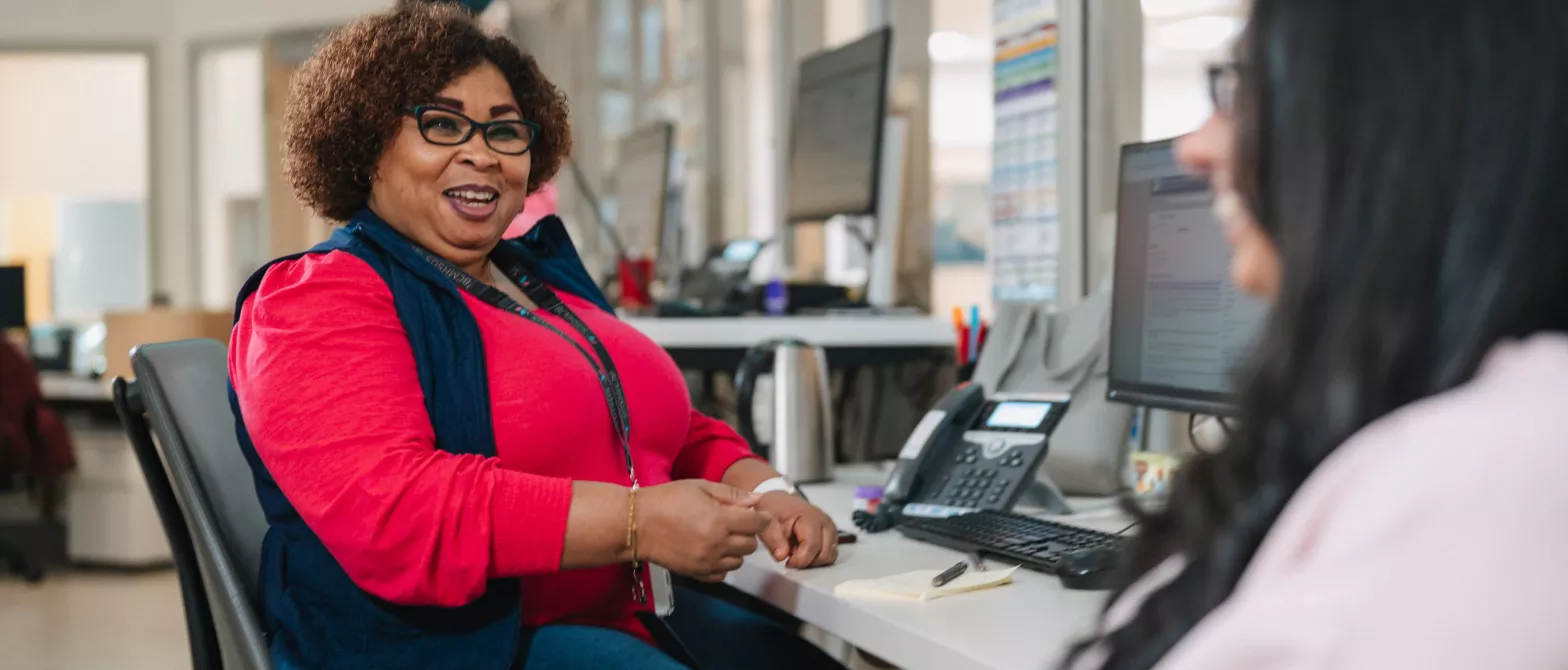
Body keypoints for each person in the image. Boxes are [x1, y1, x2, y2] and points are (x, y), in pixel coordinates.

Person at [227, 4, 843, 669]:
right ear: (367, 145)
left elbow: (664, 429)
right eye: (441, 123)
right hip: (460, 648)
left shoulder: (537, 278)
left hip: (618, 617)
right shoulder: (319, 297)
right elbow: (399, 518)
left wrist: (772, 491)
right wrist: (640, 523)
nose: (481, 154)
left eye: (505, 131)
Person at [1069, 1, 1568, 668]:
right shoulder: (1403, 420)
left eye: (1245, 91)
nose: (1196, 147)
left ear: (1390, 130)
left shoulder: (1498, 474)